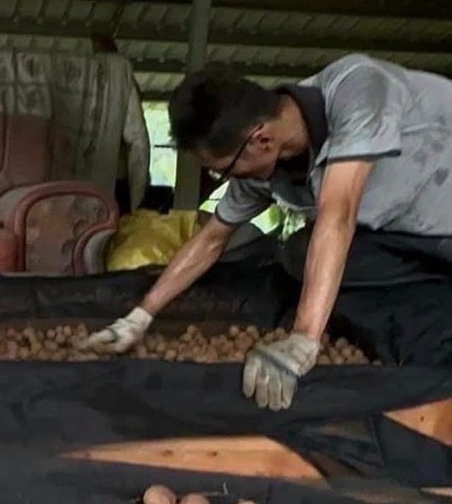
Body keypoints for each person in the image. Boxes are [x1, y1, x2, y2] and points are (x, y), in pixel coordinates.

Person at [88, 54, 452, 411]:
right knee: (299, 253)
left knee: (324, 248)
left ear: (260, 140)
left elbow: (338, 214)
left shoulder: (358, 87)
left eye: (225, 170)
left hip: (440, 219)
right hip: (402, 232)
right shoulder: (263, 163)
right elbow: (212, 238)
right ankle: (408, 321)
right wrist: (140, 316)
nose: (227, 181)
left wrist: (303, 341)